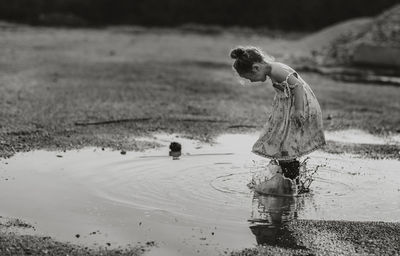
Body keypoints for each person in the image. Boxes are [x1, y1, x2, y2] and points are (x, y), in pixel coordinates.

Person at [230, 46, 325, 180]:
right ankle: (288, 176)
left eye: (250, 77)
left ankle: (292, 179)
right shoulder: (272, 70)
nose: (251, 81)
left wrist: (298, 110)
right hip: (291, 108)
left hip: (300, 106)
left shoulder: (277, 70)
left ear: (256, 68)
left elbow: (298, 86)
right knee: (283, 142)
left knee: (286, 144)